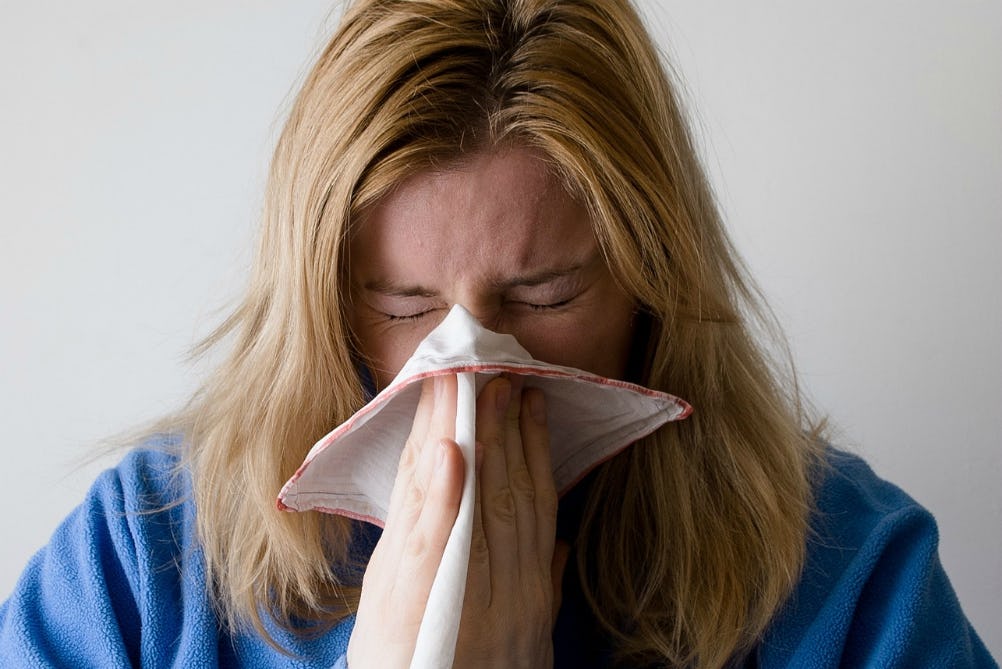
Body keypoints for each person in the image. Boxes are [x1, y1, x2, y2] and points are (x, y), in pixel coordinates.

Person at [0, 0, 995, 667]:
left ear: (652, 281)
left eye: (546, 296)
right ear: (319, 294)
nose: (469, 369)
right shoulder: (144, 564)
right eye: (401, 304)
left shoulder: (850, 571)